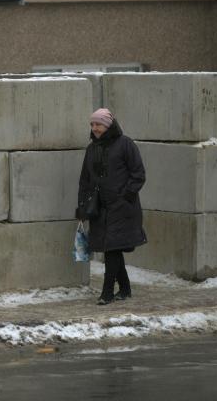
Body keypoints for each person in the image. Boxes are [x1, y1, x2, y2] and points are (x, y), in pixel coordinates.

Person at [76, 108, 147, 305]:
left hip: (122, 207)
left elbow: (138, 173)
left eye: (98, 124)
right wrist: (82, 206)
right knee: (111, 248)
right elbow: (85, 180)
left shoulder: (125, 144)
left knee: (112, 249)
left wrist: (126, 195)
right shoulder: (91, 149)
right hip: (100, 208)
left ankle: (107, 292)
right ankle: (124, 289)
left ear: (108, 125)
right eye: (92, 124)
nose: (94, 128)